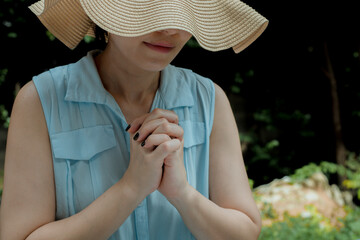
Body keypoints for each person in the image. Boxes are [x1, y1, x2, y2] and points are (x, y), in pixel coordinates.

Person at [0, 0, 268, 239]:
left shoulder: (209, 99)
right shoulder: (40, 101)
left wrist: (182, 194)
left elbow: (245, 232)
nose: (171, 29)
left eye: (182, 13)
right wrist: (131, 188)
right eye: (149, 9)